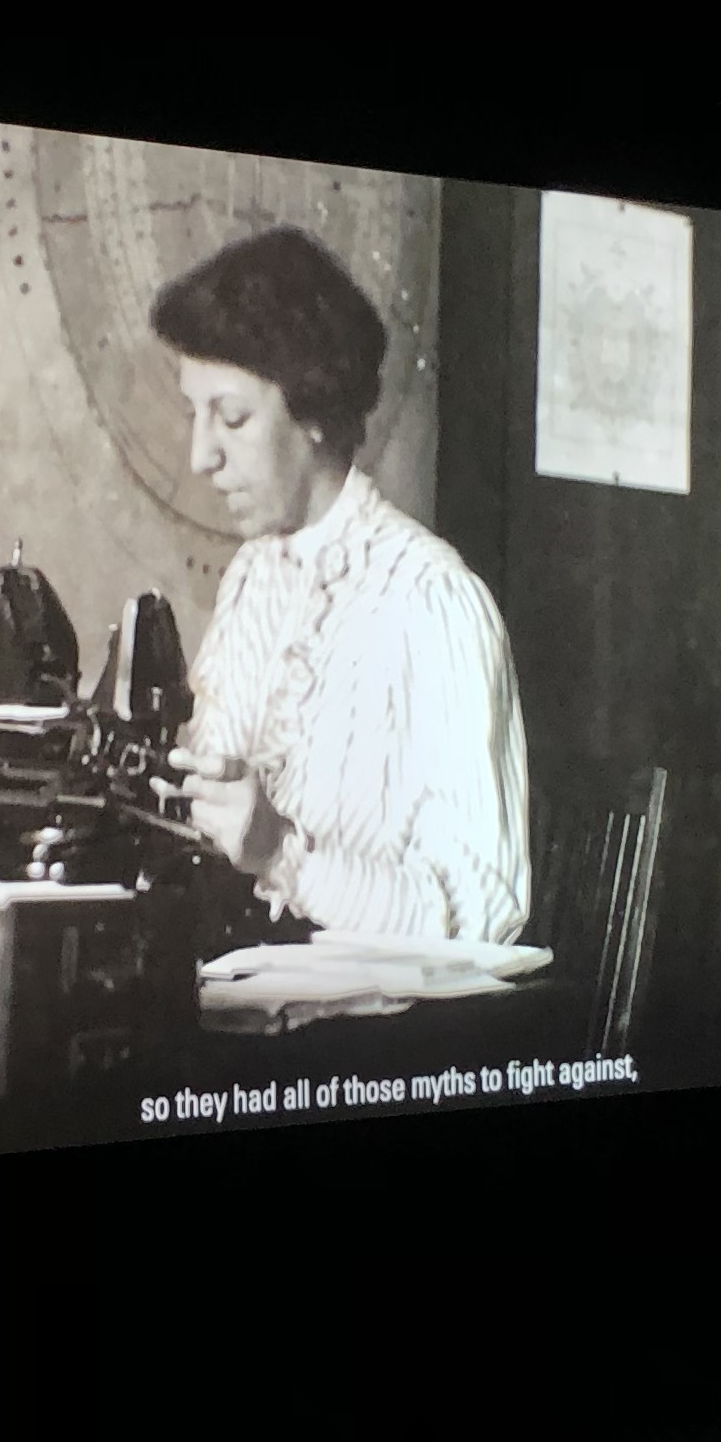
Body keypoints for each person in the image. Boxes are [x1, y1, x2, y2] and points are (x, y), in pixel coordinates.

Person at [148, 227, 531, 943]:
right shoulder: (254, 576)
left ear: (315, 412)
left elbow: (480, 918)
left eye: (232, 417)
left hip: (373, 1013)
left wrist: (283, 855)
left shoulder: (434, 603)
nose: (201, 456)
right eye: (194, 414)